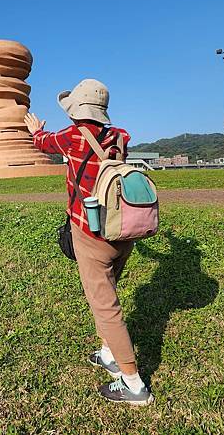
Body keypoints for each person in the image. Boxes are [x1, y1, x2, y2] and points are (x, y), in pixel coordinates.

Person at [24, 79, 154, 406]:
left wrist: (35, 129)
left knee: (105, 306)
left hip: (92, 233)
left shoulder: (71, 137)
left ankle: (133, 384)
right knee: (108, 289)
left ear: (76, 111)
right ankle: (109, 353)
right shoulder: (119, 136)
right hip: (124, 229)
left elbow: (43, 142)